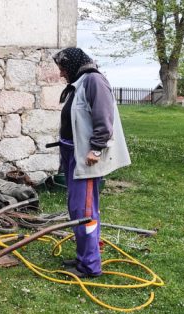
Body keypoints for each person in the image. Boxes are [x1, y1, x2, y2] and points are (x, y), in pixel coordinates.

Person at [53, 48, 131, 278]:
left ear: (74, 64)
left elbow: (104, 119)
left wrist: (96, 148)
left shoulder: (94, 81)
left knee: (85, 210)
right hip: (71, 153)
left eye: (63, 69)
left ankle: (89, 266)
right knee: (77, 208)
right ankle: (84, 256)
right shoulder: (81, 81)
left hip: (85, 158)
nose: (61, 74)